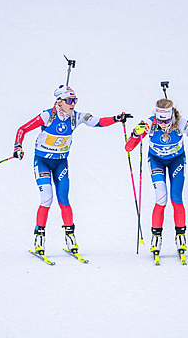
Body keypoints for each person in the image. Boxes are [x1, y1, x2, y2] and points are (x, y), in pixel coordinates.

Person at [13, 85, 131, 256]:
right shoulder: (48, 115)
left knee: (64, 200)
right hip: (43, 162)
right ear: (59, 102)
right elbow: (22, 129)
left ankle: (70, 238)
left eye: (75, 100)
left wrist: (116, 118)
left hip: (60, 163)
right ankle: (39, 239)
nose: (73, 104)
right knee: (47, 198)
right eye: (69, 100)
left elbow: (97, 122)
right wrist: (18, 146)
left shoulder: (76, 117)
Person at [125, 98, 188, 257]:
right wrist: (136, 133)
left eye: (167, 121)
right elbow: (128, 147)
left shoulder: (182, 123)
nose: (163, 124)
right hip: (156, 161)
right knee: (161, 198)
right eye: (160, 120)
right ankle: (156, 238)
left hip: (177, 161)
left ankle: (181, 237)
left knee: (176, 198)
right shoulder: (149, 124)